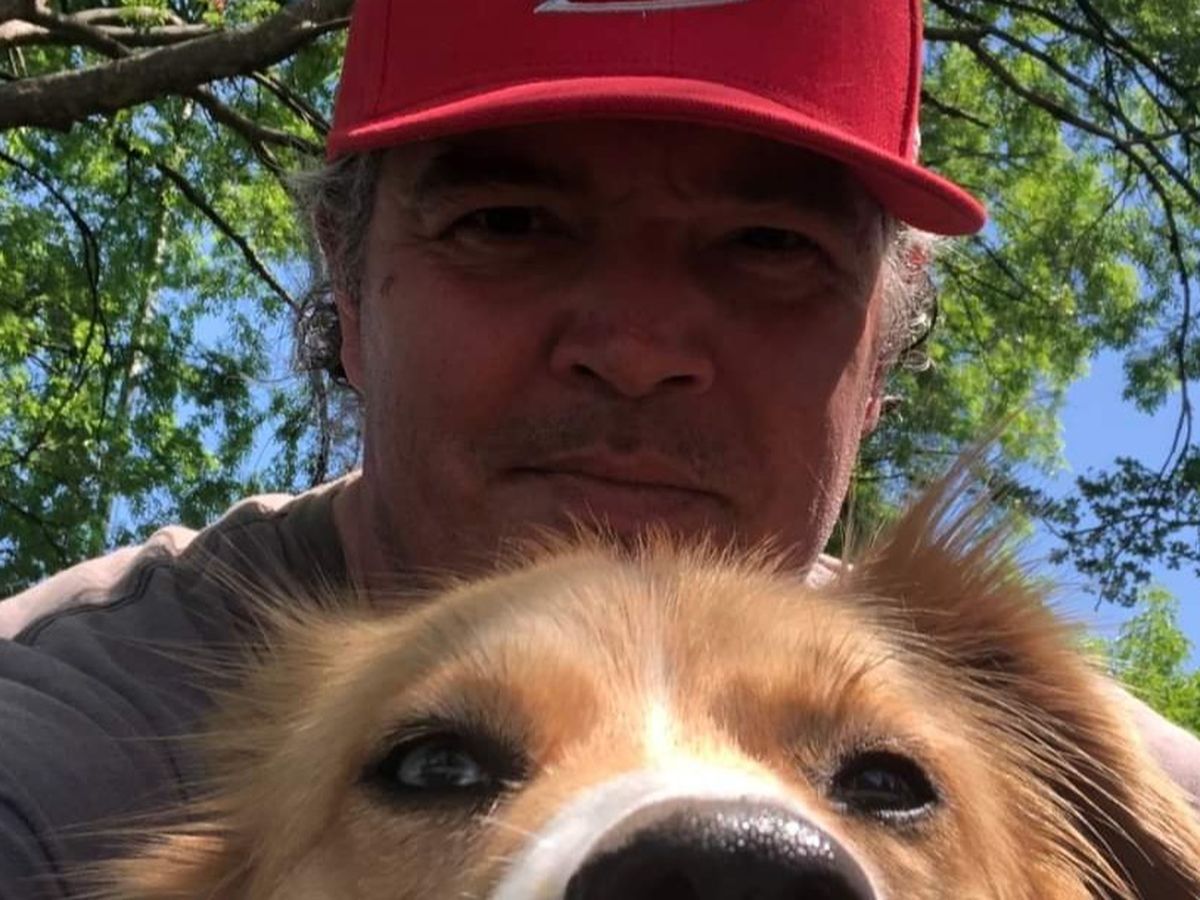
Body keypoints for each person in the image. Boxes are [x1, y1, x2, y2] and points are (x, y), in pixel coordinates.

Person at [0, 0, 1195, 896]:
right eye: (509, 223)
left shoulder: (1074, 756)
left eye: (770, 244)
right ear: (347, 284)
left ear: (883, 340)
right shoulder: (46, 765)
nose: (635, 349)